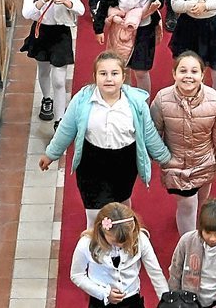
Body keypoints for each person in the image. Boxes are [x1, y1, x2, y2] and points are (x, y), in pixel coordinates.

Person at [39, 51, 172, 226]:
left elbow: (149, 133)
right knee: (95, 213)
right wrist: (51, 154)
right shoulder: (82, 100)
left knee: (121, 205)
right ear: (95, 76)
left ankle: (125, 234)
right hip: (92, 162)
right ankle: (94, 240)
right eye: (103, 73)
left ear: (123, 77)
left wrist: (165, 159)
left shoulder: (136, 103)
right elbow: (66, 129)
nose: (109, 79)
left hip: (125, 162)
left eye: (114, 73)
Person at [152, 52, 216, 234]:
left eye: (194, 71)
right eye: (183, 71)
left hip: (205, 163)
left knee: (201, 202)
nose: (188, 76)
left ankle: (191, 222)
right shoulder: (162, 99)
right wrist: (163, 158)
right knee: (188, 205)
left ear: (202, 75)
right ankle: (189, 244)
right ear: (174, 74)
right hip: (177, 166)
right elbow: (153, 134)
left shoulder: (214, 101)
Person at [21, 0, 85, 127]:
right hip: (41, 32)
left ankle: (60, 120)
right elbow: (26, 13)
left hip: (61, 34)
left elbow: (80, 9)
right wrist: (42, 1)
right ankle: (46, 98)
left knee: (58, 80)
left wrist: (66, 1)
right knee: (43, 71)